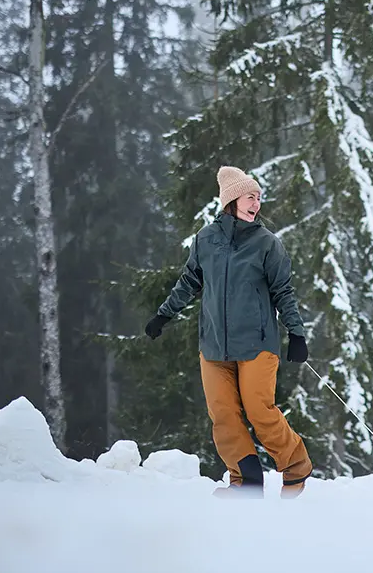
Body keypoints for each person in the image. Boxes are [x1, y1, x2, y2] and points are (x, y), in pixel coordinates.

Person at [144, 166, 312, 498]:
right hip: (214, 346)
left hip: (257, 345)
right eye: (251, 197)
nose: (256, 204)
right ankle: (245, 480)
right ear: (232, 200)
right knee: (223, 414)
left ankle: (296, 465)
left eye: (259, 198)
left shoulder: (266, 244)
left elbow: (284, 291)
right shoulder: (206, 238)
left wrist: (297, 334)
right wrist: (163, 315)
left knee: (259, 411)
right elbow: (189, 282)